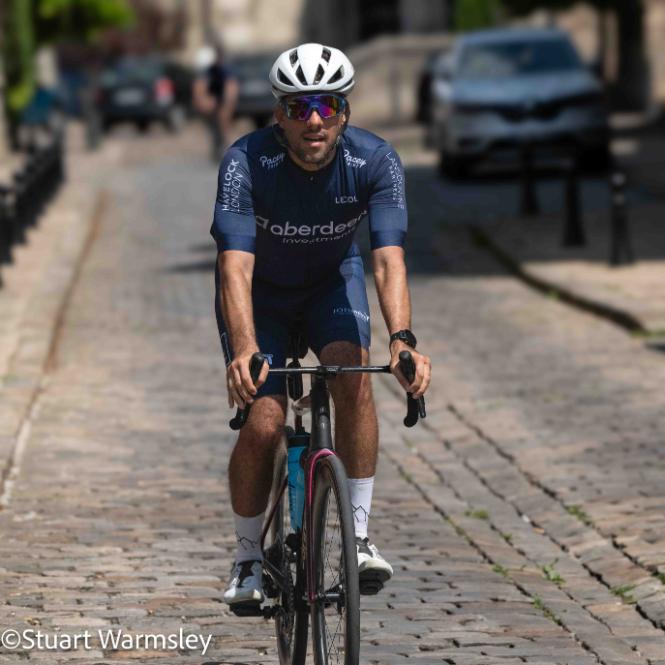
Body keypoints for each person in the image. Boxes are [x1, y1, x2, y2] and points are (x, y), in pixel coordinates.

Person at [211, 43, 431, 607]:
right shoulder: (244, 162)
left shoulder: (376, 160)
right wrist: (244, 348)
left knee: (353, 376)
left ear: (344, 112)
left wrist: (402, 340)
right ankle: (247, 557)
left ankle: (357, 538)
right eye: (299, 107)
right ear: (279, 114)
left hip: (332, 283)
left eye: (327, 105)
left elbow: (388, 260)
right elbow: (235, 266)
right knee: (264, 421)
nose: (314, 120)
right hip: (261, 296)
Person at [193, 44, 239, 161]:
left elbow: (231, 88)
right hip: (212, 102)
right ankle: (218, 148)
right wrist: (203, 101)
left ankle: (229, 149)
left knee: (224, 125)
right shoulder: (206, 70)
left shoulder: (225, 70)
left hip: (223, 101)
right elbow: (199, 87)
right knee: (214, 129)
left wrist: (227, 105)